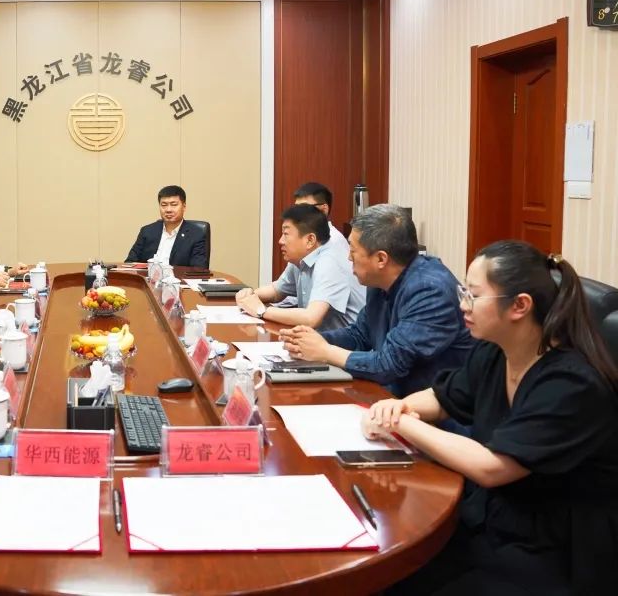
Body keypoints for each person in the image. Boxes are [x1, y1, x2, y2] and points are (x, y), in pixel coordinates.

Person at [364, 241, 618, 595]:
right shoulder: (496, 351)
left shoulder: (572, 383)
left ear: (520, 306)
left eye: (473, 295)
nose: (462, 305)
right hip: (495, 517)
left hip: (556, 547)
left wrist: (403, 423)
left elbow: (493, 467)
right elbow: (443, 397)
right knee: (389, 571)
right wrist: (400, 407)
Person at [280, 204, 472, 397]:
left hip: (430, 408)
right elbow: (359, 335)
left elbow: (389, 365)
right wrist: (309, 340)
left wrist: (326, 351)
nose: (348, 257)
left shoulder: (429, 291)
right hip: (391, 399)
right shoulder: (380, 281)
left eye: (353, 250)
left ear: (381, 259)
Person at [234, 204, 364, 330]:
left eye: (286, 234)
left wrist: (261, 310)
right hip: (319, 337)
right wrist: (249, 295)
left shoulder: (329, 262)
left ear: (310, 240)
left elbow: (311, 318)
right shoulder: (300, 259)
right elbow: (276, 292)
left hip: (347, 342)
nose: (280, 241)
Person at [124, 185, 209, 268]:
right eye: (164, 205)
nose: (168, 210)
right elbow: (130, 263)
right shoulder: (147, 231)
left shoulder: (196, 234)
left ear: (184, 207)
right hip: (148, 277)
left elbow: (198, 270)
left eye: (174, 205)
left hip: (178, 277)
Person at [293, 181, 349, 254]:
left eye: (304, 207)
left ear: (323, 209)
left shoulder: (333, 241)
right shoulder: (303, 237)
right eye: (296, 208)